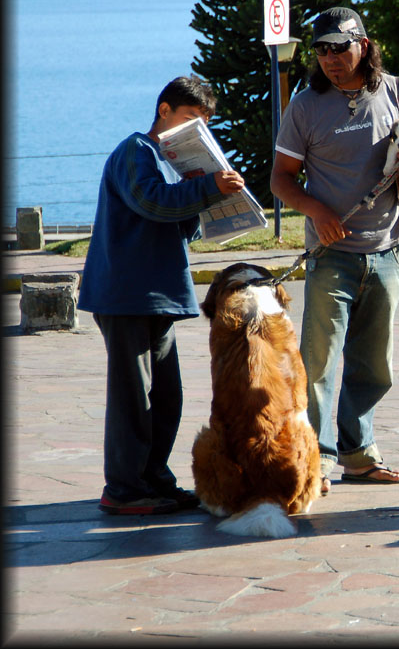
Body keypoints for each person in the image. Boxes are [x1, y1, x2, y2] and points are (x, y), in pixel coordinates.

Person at [270, 7, 399, 491]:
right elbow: (280, 179)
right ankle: (312, 459)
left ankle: (359, 455)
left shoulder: (398, 91)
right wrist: (317, 212)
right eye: (321, 50)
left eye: (340, 47)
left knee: (373, 363)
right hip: (330, 256)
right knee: (318, 363)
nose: (330, 59)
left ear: (364, 44)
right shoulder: (305, 106)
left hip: (387, 250)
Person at [79, 76, 246, 515]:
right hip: (126, 294)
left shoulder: (168, 162)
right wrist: (209, 188)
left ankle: (154, 477)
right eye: (190, 119)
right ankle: (123, 488)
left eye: (203, 124)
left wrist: (210, 197)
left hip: (156, 295)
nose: (194, 129)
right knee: (133, 397)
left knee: (166, 395)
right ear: (164, 110)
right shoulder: (136, 151)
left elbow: (174, 221)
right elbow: (150, 203)